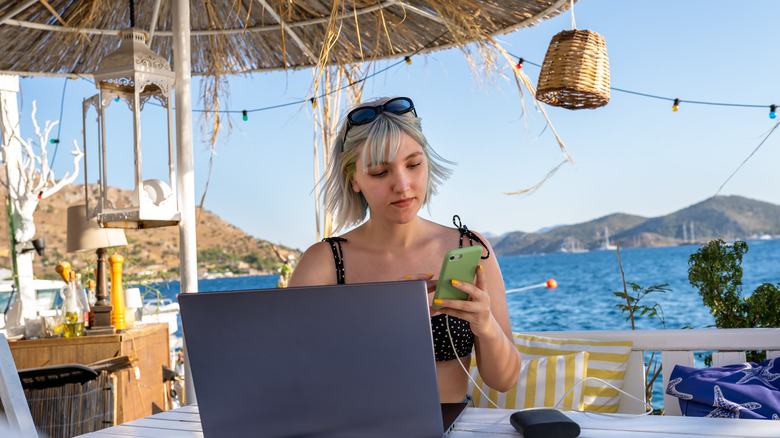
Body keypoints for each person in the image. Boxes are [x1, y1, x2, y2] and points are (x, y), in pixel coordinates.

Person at [289, 96, 520, 403]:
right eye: (380, 172)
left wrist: (485, 324)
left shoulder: (468, 247)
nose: (403, 185)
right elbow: (292, 378)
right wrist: (380, 320)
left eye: (413, 164)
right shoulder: (325, 263)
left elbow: (503, 380)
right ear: (353, 179)